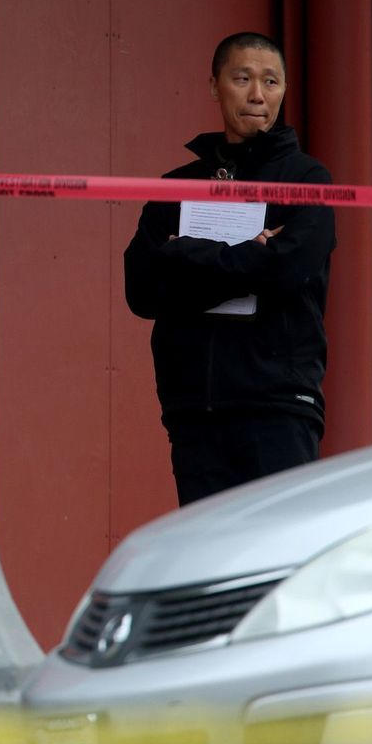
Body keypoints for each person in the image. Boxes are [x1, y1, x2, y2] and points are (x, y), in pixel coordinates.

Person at [124, 32, 335, 507]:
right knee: (210, 563)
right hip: (193, 408)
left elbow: (288, 273)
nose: (257, 95)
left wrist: (184, 254)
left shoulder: (306, 179)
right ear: (215, 86)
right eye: (242, 79)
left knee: (277, 559)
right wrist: (249, 255)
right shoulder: (176, 186)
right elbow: (141, 289)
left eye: (271, 81)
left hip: (277, 404)